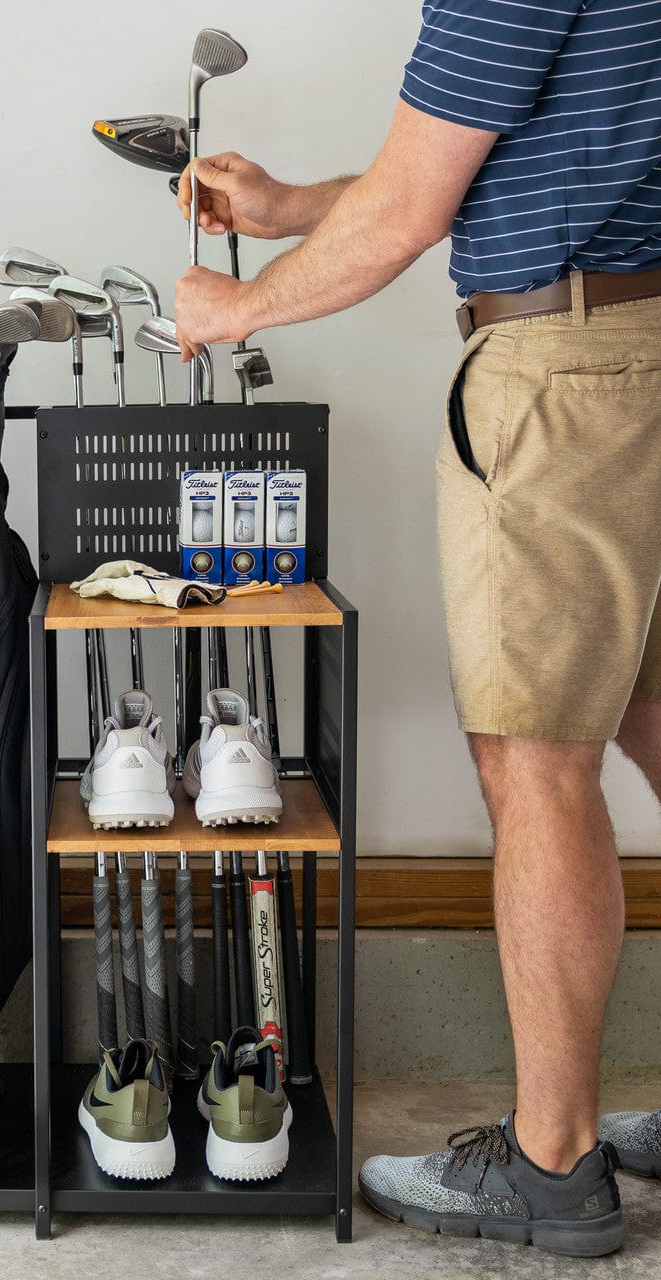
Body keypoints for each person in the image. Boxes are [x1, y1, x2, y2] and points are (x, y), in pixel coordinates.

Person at [175, 0, 661, 1258]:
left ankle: (550, 1164)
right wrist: (290, 207)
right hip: (644, 342)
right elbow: (502, 162)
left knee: (533, 758)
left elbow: (408, 207)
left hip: (564, 377)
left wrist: (236, 307)